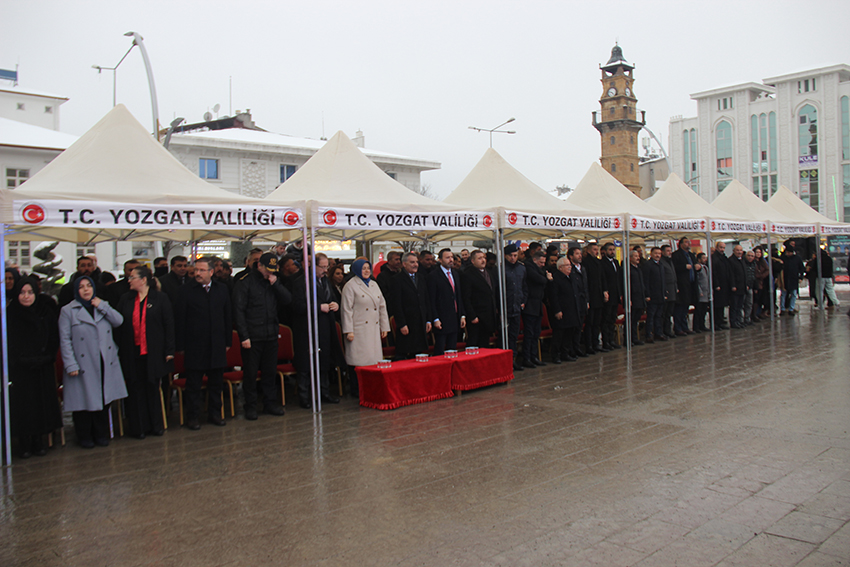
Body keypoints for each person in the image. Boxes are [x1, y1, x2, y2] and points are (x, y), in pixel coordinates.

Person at [58, 276, 127, 448]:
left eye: (89, 286)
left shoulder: (102, 306)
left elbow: (118, 321)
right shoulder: (68, 310)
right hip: (82, 363)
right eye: (81, 287)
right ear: (76, 290)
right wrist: (70, 364)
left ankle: (100, 434)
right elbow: (65, 340)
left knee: (103, 399)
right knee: (83, 401)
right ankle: (84, 436)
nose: (86, 289)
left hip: (104, 361)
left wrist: (102, 305)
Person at [117, 265, 174, 438]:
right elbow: (119, 324)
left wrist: (169, 350)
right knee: (135, 389)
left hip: (153, 352)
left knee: (152, 387)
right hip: (132, 352)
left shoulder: (160, 298)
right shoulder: (126, 299)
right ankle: (138, 428)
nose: (129, 280)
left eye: (132, 277)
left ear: (143, 280)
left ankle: (156, 425)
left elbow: (168, 325)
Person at [8, 276, 62, 458]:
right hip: (20, 369)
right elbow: (8, 343)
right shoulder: (10, 314)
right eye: (22, 292)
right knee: (23, 405)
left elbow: (54, 337)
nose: (26, 296)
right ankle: (24, 442)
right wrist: (22, 359)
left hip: (42, 367)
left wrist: (46, 357)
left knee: (41, 404)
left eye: (30, 292)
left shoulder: (45, 312)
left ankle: (39, 440)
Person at [175, 257, 232, 430]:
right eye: (196, 270)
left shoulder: (221, 289)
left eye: (202, 270)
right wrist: (180, 345)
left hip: (217, 343)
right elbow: (180, 319)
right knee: (194, 384)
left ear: (211, 272)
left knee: (216, 383)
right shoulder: (185, 290)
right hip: (195, 344)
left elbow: (227, 316)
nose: (198, 273)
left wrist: (227, 340)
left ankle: (215, 414)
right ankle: (193, 416)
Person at [233, 253, 292, 419]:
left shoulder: (273, 281)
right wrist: (244, 336)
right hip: (252, 336)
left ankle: (270, 403)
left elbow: (288, 300)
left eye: (272, 270)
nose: (269, 273)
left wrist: (276, 285)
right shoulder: (245, 282)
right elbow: (238, 311)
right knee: (251, 374)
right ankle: (250, 405)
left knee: (269, 372)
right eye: (267, 270)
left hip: (271, 334)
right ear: (259, 266)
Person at [289, 253, 342, 408]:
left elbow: (331, 298)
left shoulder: (325, 281)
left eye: (327, 267)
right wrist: (318, 307)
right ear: (313, 265)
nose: (325, 270)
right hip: (307, 328)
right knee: (306, 364)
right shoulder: (301, 282)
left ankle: (324, 392)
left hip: (325, 326)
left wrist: (335, 304)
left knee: (324, 362)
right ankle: (304, 396)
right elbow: (297, 306)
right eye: (322, 267)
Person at [342, 259, 390, 374]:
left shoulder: (374, 284)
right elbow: (346, 310)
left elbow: (382, 306)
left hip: (373, 328)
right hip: (358, 330)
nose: (366, 271)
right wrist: (348, 330)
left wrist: (384, 327)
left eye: (368, 268)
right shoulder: (350, 286)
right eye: (363, 268)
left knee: (374, 361)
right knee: (360, 362)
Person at [390, 252, 432, 359]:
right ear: (404, 264)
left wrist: (428, 320)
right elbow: (396, 304)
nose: (416, 265)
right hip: (407, 322)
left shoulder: (421, 278)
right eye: (412, 262)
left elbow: (426, 300)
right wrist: (402, 324)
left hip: (420, 322)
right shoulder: (397, 279)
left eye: (416, 262)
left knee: (418, 354)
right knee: (404, 354)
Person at [427, 249, 466, 355]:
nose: (451, 260)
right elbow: (432, 299)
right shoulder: (433, 276)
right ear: (440, 260)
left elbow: (458, 296)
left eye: (452, 257)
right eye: (447, 257)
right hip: (441, 318)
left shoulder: (455, 274)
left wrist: (462, 315)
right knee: (440, 348)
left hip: (454, 317)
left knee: (452, 348)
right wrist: (435, 318)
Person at [462, 250, 499, 350]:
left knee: (484, 343)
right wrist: (472, 315)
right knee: (474, 343)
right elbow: (466, 297)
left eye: (484, 258)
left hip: (488, 315)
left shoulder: (489, 272)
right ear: (473, 261)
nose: (483, 260)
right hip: (476, 315)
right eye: (479, 258)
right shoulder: (468, 274)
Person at [546, 257, 580, 363]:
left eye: (570, 265)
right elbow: (553, 297)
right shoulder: (556, 279)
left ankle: (565, 353)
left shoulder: (571, 277)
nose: (570, 267)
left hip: (572, 310)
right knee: (559, 334)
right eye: (567, 265)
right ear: (560, 267)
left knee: (569, 333)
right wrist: (557, 310)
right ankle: (556, 355)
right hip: (562, 310)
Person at [521, 250, 551, 366]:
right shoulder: (529, 267)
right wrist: (546, 278)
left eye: (544, 263)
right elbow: (540, 279)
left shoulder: (539, 269)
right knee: (529, 333)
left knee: (536, 333)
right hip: (530, 305)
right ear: (534, 260)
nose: (543, 265)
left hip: (538, 304)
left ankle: (534, 356)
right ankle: (527, 357)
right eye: (541, 262)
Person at [503, 244, 527, 369]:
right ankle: (505, 360)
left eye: (515, 255)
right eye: (511, 256)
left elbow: (524, 286)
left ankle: (513, 359)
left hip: (517, 306)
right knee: (505, 335)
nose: (513, 258)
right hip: (505, 306)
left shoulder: (521, 268)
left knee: (514, 334)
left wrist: (523, 300)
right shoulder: (501, 269)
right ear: (505, 256)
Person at [671, 237, 698, 336]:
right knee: (680, 307)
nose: (689, 244)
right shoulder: (676, 255)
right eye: (686, 242)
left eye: (689, 242)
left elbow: (695, 265)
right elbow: (673, 268)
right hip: (681, 285)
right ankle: (678, 328)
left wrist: (697, 267)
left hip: (691, 284)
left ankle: (685, 327)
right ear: (681, 244)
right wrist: (684, 267)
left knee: (686, 307)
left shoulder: (691, 255)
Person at [582, 243, 605, 353]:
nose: (596, 252)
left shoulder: (598, 263)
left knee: (597, 322)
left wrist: (604, 291)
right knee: (590, 322)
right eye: (594, 249)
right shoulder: (586, 262)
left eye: (597, 249)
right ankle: (589, 344)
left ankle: (596, 343)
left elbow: (602, 278)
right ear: (589, 250)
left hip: (598, 295)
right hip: (591, 296)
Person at [600, 243, 622, 349]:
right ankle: (606, 341)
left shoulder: (616, 262)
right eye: (610, 250)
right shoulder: (602, 263)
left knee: (613, 318)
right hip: (608, 294)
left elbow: (618, 279)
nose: (612, 252)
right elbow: (603, 279)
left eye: (613, 249)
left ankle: (612, 340)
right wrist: (605, 291)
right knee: (606, 318)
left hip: (615, 294)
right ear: (605, 251)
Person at [641, 247, 666, 342]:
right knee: (651, 316)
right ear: (651, 254)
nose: (658, 255)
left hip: (660, 295)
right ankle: (649, 334)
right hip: (652, 295)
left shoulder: (661, 265)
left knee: (659, 316)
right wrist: (647, 294)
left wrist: (664, 292)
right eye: (656, 253)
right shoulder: (648, 265)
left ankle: (658, 333)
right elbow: (646, 281)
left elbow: (663, 280)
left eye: (659, 253)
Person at [568, 247, 590, 355]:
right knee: (573, 327)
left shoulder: (583, 269)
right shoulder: (570, 269)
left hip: (582, 301)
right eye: (577, 254)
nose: (580, 256)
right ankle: (571, 349)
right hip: (574, 302)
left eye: (580, 253)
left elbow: (585, 286)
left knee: (579, 326)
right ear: (571, 256)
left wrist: (587, 300)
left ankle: (577, 347)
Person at [625, 250, 646, 345]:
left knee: (636, 319)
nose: (638, 258)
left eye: (638, 256)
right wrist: (628, 298)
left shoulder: (639, 268)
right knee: (631, 319)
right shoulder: (628, 269)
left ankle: (634, 337)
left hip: (640, 297)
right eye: (635, 256)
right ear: (630, 258)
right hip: (633, 297)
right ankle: (628, 338)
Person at [711, 242, 731, 329]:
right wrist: (716, 284)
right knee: (717, 305)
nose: (722, 249)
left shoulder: (724, 257)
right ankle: (716, 323)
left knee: (722, 304)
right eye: (721, 247)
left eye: (723, 248)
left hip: (724, 284)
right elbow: (714, 272)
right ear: (717, 247)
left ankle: (721, 321)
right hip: (718, 285)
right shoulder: (714, 258)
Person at [779, 246, 805, 316]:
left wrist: (801, 277)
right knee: (784, 294)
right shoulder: (783, 258)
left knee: (793, 294)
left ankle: (791, 308)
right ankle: (783, 309)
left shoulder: (797, 258)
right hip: (785, 279)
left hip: (793, 279)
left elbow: (802, 268)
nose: (788, 253)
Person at [659, 245, 678, 338]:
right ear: (662, 252)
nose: (670, 252)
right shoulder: (661, 262)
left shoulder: (670, 261)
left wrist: (676, 287)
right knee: (664, 312)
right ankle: (663, 331)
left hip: (672, 290)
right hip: (666, 290)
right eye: (667, 251)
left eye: (670, 250)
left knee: (669, 312)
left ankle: (668, 330)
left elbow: (674, 276)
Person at [727, 245, 747, 329]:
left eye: (741, 250)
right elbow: (731, 274)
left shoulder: (742, 260)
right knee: (734, 306)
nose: (739, 252)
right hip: (735, 287)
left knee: (740, 306)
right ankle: (733, 322)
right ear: (734, 251)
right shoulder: (731, 260)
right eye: (737, 250)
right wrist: (733, 285)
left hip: (742, 287)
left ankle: (739, 321)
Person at [693, 252, 711, 332]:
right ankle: (696, 326)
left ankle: (702, 325)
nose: (705, 259)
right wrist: (699, 290)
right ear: (699, 259)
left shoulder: (706, 267)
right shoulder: (698, 268)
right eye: (703, 258)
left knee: (704, 310)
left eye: (705, 258)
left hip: (706, 292)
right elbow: (697, 280)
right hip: (701, 292)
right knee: (698, 310)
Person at [753, 247, 770, 321]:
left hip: (763, 282)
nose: (758, 254)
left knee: (762, 298)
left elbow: (767, 269)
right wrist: (758, 276)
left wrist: (762, 276)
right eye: (757, 252)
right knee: (756, 299)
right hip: (756, 282)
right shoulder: (753, 262)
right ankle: (754, 314)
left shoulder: (763, 261)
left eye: (759, 252)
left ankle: (759, 313)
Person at [743, 250, 757, 325]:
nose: (750, 257)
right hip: (744, 286)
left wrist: (755, 286)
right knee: (742, 303)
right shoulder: (743, 263)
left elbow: (754, 275)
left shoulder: (754, 264)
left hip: (751, 286)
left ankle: (747, 318)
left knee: (749, 303)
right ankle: (742, 319)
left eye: (752, 256)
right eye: (749, 255)